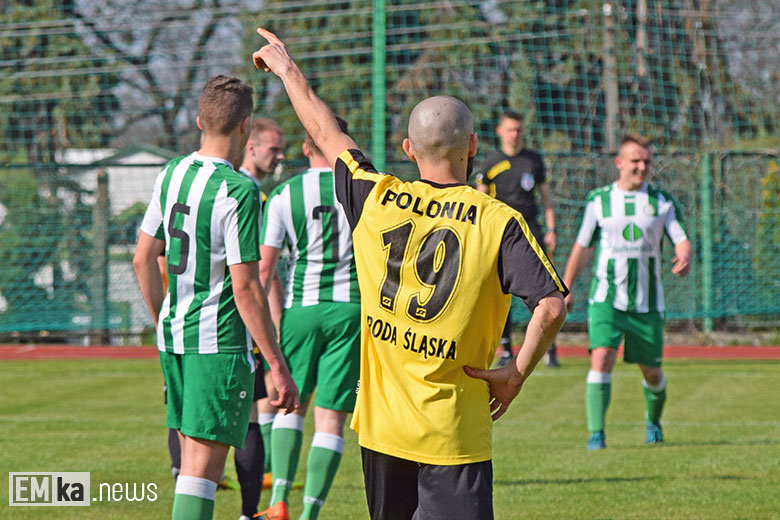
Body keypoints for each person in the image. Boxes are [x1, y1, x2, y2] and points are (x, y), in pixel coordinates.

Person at [252, 29, 567, 519]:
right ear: (473, 145)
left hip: (382, 431)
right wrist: (515, 374)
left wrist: (287, 69)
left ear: (407, 148)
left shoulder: (376, 198)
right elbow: (551, 307)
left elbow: (325, 132)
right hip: (453, 431)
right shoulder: (498, 221)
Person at [133, 75, 299, 520]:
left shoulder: (171, 173)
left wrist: (163, 321)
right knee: (201, 473)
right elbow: (246, 288)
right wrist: (277, 365)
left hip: (175, 339)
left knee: (192, 466)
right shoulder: (239, 190)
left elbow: (143, 259)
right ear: (246, 127)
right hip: (218, 345)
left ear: (200, 121)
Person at [256, 116, 360, 520]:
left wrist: (263, 322)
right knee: (330, 418)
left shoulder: (284, 193)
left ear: (305, 148)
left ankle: (278, 501)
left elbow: (265, 268)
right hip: (351, 309)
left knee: (290, 404)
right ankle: (309, 515)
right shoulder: (364, 190)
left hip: (301, 308)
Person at [561, 133, 692, 451]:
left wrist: (685, 255)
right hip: (606, 299)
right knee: (602, 356)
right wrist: (565, 287)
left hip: (647, 304)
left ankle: (653, 422)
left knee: (652, 372)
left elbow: (681, 239)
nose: (642, 167)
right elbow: (582, 247)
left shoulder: (662, 201)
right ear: (619, 163)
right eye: (635, 160)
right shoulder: (599, 201)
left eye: (647, 161)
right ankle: (596, 435)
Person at [234, 117, 291, 519]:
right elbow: (260, 271)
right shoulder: (249, 194)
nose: (280, 156)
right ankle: (250, 509)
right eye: (274, 148)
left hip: (197, 320)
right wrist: (275, 322)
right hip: (242, 315)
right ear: (250, 146)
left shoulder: (207, 181)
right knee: (252, 409)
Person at [476, 111, 561, 367]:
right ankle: (505, 349)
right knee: (499, 293)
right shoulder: (490, 163)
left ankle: (549, 349)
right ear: (500, 131)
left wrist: (551, 229)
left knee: (544, 292)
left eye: (518, 130)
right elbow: (480, 203)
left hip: (531, 232)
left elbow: (546, 199)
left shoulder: (533, 160)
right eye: (510, 129)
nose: (515, 134)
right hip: (500, 234)